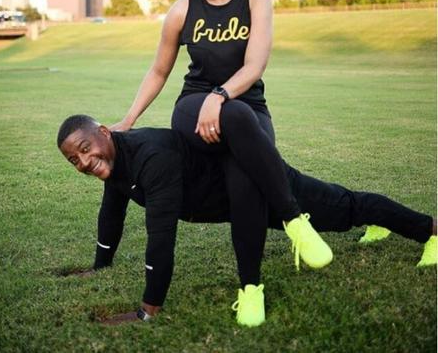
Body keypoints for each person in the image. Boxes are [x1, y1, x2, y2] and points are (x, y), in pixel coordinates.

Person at [109, 0, 333, 301]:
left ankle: (250, 290)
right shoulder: (183, 9)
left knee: (244, 172)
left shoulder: (256, 0)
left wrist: (222, 94)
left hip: (245, 107)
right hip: (193, 110)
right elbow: (160, 70)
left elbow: (255, 65)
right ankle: (293, 217)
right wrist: (129, 119)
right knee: (237, 115)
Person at [57, 115, 437, 327]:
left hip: (259, 184)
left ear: (104, 132)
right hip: (236, 203)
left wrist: (147, 311)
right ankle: (373, 221)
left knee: (345, 207)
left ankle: (429, 230)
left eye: (86, 149)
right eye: (75, 160)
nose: (85, 162)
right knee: (338, 214)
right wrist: (99, 266)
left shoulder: (150, 158)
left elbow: (160, 238)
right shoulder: (117, 163)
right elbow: (111, 213)